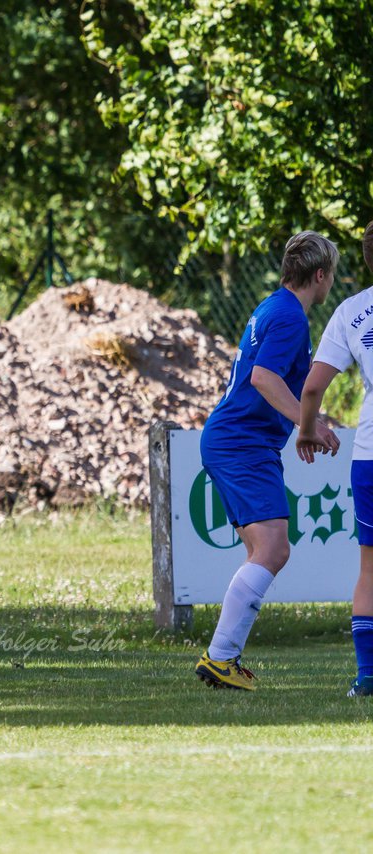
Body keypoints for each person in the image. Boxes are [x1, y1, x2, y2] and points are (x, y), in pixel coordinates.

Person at [195, 230, 339, 690]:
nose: (331, 282)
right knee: (274, 549)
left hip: (238, 440)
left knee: (263, 551)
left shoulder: (272, 306)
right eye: (331, 274)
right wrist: (307, 424)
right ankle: (219, 659)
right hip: (241, 443)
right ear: (320, 275)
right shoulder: (292, 317)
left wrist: (304, 424)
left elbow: (273, 381)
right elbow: (263, 377)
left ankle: (225, 659)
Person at [298, 223, 373, 696]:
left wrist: (307, 430)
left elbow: (311, 387)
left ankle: (368, 676)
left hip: (370, 455)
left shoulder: (352, 311)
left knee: (370, 568)